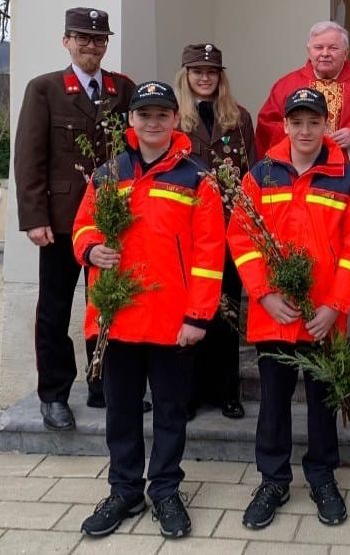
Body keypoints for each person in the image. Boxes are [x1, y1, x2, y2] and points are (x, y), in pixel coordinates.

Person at [73, 81, 226, 538]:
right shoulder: (106, 174)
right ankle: (124, 490)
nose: (154, 122)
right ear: (130, 121)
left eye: (162, 114)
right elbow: (82, 225)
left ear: (174, 120)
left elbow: (209, 253)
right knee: (120, 411)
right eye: (145, 115)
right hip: (115, 319)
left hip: (171, 321)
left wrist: (198, 317)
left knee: (169, 410)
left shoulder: (198, 177)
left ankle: (164, 490)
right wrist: (91, 248)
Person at [229, 87, 350, 531]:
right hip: (275, 315)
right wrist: (263, 294)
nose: (306, 130)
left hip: (322, 317)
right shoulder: (261, 174)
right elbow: (242, 238)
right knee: (272, 404)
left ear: (326, 125)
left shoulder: (346, 178)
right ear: (285, 125)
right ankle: (273, 481)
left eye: (314, 122)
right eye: (298, 122)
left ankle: (323, 477)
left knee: (322, 402)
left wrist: (336, 305)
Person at [14, 7, 135, 431]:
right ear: (66, 40)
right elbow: (29, 158)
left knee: (108, 304)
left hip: (113, 220)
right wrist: (33, 217)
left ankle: (103, 385)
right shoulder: (45, 89)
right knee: (55, 308)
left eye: (98, 39)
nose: (91, 45)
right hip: (63, 221)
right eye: (82, 37)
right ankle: (54, 395)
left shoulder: (122, 89)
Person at [175, 43, 256, 420]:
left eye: (211, 72)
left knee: (226, 314)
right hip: (187, 231)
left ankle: (227, 391)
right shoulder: (174, 118)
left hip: (228, 229)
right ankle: (190, 392)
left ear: (220, 77)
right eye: (197, 72)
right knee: (191, 312)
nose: (204, 78)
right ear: (186, 75)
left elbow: (251, 173)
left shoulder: (238, 117)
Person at [255, 21, 350, 180]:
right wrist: (301, 134)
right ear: (309, 51)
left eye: (333, 48)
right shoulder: (286, 85)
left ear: (346, 53)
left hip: (347, 177)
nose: (325, 53)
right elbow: (267, 125)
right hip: (297, 175)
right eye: (318, 47)